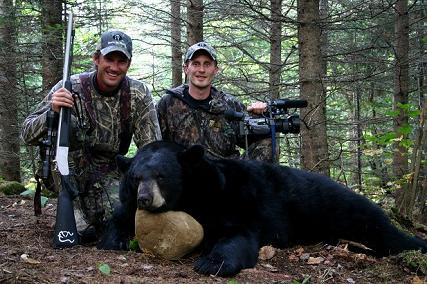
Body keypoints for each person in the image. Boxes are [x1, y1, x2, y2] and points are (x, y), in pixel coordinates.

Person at [21, 30, 161, 239]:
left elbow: (152, 149)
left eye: (121, 61)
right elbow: (27, 133)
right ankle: (73, 208)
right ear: (96, 59)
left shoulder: (138, 93)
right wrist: (52, 112)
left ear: (128, 64)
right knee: (69, 126)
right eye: (109, 59)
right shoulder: (69, 87)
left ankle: (95, 216)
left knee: (122, 223)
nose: (114, 67)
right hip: (69, 173)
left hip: (111, 174)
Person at [157, 41, 274, 162]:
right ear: (186, 68)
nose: (201, 70)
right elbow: (154, 145)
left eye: (207, 64)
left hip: (225, 175)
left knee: (269, 143)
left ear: (215, 69)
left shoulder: (229, 104)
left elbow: (256, 140)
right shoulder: (168, 103)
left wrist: (259, 115)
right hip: (183, 175)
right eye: (196, 64)